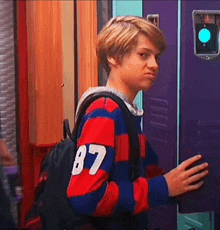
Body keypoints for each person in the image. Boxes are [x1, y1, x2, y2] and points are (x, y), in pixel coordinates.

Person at [67, 16, 209, 230]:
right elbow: (85, 196)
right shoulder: (105, 112)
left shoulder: (123, 111)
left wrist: (176, 185)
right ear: (114, 57)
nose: (153, 65)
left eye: (156, 57)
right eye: (143, 55)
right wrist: (162, 188)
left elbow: (139, 175)